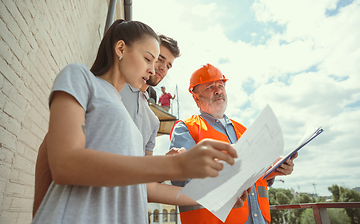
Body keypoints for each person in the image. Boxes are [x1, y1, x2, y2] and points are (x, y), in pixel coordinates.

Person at [31, 20, 244, 224]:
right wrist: (174, 165)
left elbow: (146, 188)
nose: (154, 70)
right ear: (121, 49)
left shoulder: (143, 121)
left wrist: (216, 195)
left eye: (163, 64)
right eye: (150, 58)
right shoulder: (82, 78)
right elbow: (64, 162)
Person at [32, 33, 182, 218]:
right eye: (159, 58)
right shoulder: (108, 87)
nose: (160, 68)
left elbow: (142, 180)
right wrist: (42, 212)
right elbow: (52, 147)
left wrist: (170, 164)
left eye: (168, 65)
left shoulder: (153, 120)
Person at [170, 63, 298, 224]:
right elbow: (183, 179)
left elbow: (254, 176)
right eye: (210, 87)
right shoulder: (186, 128)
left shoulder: (243, 130)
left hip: (259, 218)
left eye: (221, 85)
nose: (218, 90)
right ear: (196, 97)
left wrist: (273, 168)